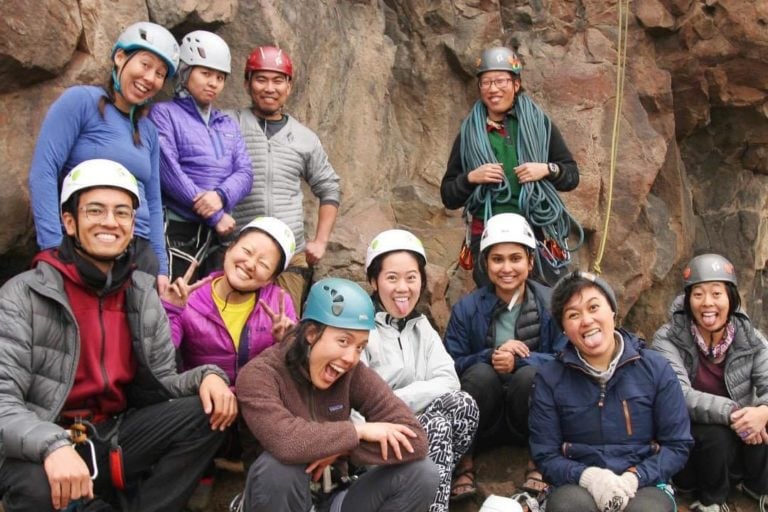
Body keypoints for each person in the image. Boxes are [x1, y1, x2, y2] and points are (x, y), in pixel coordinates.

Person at [0, 159, 237, 512]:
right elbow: (4, 401)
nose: (110, 222)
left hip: (111, 434)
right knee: (37, 491)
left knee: (209, 411)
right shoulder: (24, 294)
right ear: (70, 222)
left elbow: (164, 379)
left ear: (131, 225)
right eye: (95, 211)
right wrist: (53, 446)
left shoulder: (140, 291)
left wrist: (209, 377)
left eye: (122, 213)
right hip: (47, 434)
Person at [234, 277, 440, 512]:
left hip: (335, 497)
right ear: (312, 333)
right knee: (279, 468)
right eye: (343, 341)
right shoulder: (260, 374)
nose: (351, 357)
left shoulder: (352, 373)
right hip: (280, 495)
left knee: (422, 473)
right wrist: (356, 431)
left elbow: (415, 439)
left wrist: (342, 448)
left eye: (360, 347)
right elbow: (286, 441)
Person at [28, 21, 180, 291]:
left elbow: (154, 201)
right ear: (120, 57)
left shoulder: (148, 130)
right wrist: (52, 250)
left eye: (160, 73)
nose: (150, 78)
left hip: (139, 249)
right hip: (88, 243)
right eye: (145, 65)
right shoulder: (81, 102)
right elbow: (44, 171)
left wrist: (161, 266)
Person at [529, 271, 692, 512]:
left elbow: (678, 445)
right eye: (573, 315)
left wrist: (634, 477)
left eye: (594, 307)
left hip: (645, 482)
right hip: (578, 482)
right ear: (564, 329)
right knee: (568, 508)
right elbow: (545, 454)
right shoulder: (550, 378)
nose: (586, 320)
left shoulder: (655, 368)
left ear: (612, 311)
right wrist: (589, 477)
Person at [444, 213, 565, 499]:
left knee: (531, 376)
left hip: (530, 412)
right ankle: (464, 461)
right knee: (480, 374)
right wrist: (489, 356)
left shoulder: (552, 305)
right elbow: (450, 364)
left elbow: (567, 358)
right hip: (486, 415)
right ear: (486, 263)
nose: (507, 268)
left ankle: (539, 459)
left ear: (530, 261)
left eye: (515, 258)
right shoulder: (467, 309)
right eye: (498, 259)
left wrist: (522, 360)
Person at [440, 46, 579, 287]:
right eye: (486, 82)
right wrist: (471, 177)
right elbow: (449, 195)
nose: (493, 89)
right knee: (493, 303)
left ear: (516, 84)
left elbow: (571, 175)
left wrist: (546, 169)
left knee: (545, 299)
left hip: (533, 228)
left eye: (501, 81)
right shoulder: (470, 132)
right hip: (487, 228)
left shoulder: (539, 125)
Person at [361, 229, 479, 512]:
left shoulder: (421, 327)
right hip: (372, 437)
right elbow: (359, 404)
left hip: (413, 429)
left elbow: (449, 382)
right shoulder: (360, 328)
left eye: (411, 278)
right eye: (392, 278)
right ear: (373, 282)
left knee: (464, 405)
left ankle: (422, 493)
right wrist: (392, 410)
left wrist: (395, 400)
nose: (403, 287)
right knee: (437, 425)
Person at [226, 46, 341, 315]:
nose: (270, 88)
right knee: (232, 327)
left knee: (283, 333)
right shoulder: (229, 124)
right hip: (239, 250)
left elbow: (329, 187)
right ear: (247, 83)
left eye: (278, 80)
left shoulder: (304, 138)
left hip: (290, 255)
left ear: (289, 86)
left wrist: (320, 241)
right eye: (261, 79)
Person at [652, 254, 768, 512]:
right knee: (717, 435)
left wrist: (762, 411)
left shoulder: (750, 337)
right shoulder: (667, 338)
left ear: (731, 298)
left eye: (717, 294)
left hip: (742, 433)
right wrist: (736, 413)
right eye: (698, 294)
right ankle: (709, 501)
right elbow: (679, 393)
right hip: (692, 440)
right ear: (687, 299)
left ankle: (758, 486)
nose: (707, 303)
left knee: (761, 421)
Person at [149, 30, 252, 281]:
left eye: (220, 77)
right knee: (172, 304)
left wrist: (221, 195)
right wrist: (215, 215)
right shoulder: (164, 114)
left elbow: (246, 173)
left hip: (216, 236)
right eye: (205, 73)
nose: (213, 82)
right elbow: (168, 172)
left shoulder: (226, 123)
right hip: (177, 230)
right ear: (185, 72)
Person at [162, 216, 298, 387]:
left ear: (270, 279)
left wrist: (286, 343)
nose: (250, 264)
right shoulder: (189, 300)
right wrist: (169, 310)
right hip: (203, 399)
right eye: (247, 251)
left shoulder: (279, 305)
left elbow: (295, 369)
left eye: (263, 264)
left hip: (257, 398)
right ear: (230, 249)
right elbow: (159, 359)